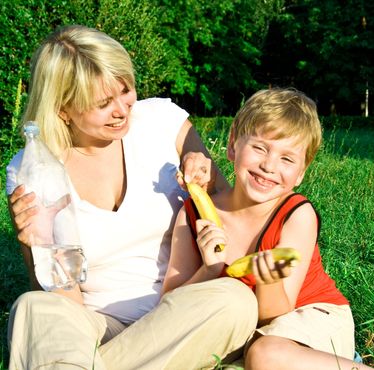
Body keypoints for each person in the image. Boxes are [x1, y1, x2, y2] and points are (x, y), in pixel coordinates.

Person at [6, 25, 257, 370]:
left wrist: (211, 183)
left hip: (185, 311)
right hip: (95, 327)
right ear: (63, 109)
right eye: (103, 103)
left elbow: (235, 221)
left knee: (236, 302)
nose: (123, 110)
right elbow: (63, 302)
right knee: (34, 308)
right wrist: (37, 244)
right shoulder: (33, 169)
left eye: (126, 91)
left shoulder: (162, 123)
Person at [163, 88, 374, 369]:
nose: (268, 165)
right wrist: (209, 271)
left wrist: (268, 278)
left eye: (287, 159)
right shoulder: (193, 215)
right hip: (245, 331)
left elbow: (276, 312)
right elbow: (169, 306)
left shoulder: (296, 215)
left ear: (301, 173)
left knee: (266, 356)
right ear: (232, 146)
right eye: (259, 148)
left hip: (308, 314)